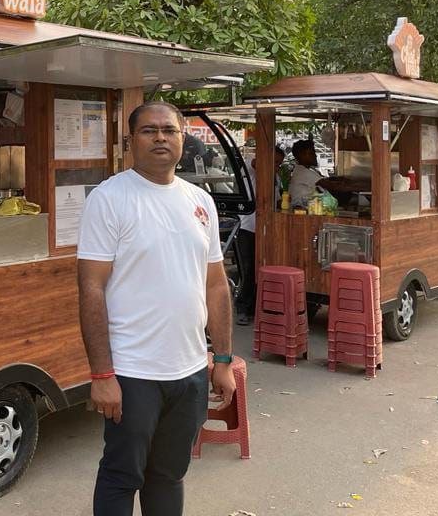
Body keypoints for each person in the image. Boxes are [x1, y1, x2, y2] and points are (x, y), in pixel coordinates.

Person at [78, 101, 236, 516]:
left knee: (169, 474)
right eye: (149, 130)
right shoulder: (109, 199)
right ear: (132, 140)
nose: (161, 137)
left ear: (184, 138)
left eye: (170, 130)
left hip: (188, 371)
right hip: (132, 373)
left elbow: (216, 285)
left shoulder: (199, 201)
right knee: (120, 475)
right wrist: (102, 374)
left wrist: (221, 359)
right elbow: (91, 289)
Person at [235, 144, 286, 325]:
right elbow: (255, 164)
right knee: (247, 269)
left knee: (262, 268)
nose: (277, 166)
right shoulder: (249, 169)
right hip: (247, 227)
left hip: (266, 229)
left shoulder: (276, 178)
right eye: (275, 162)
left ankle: (257, 307)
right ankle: (242, 307)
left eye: (280, 163)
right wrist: (266, 163)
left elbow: (278, 201)